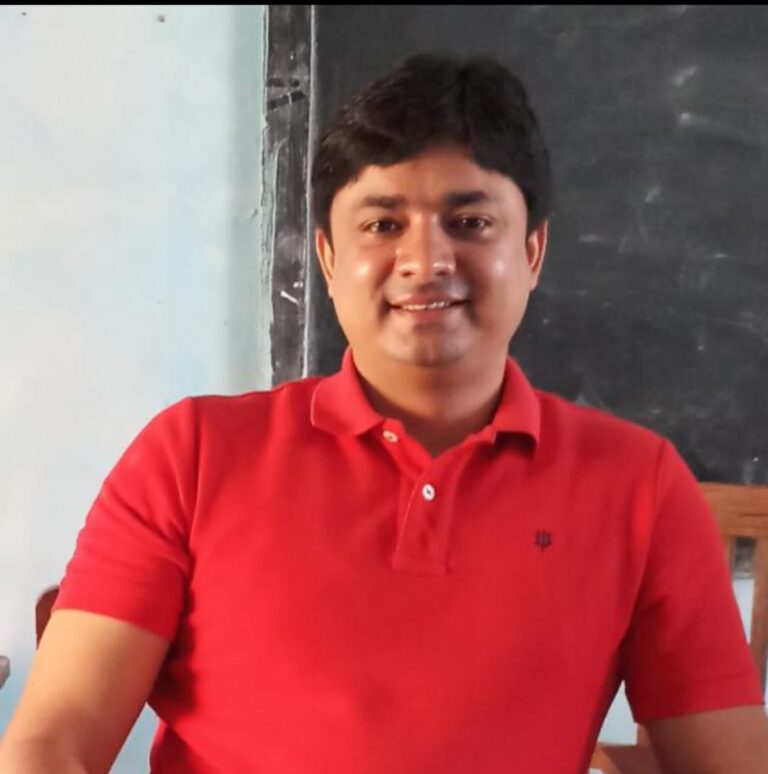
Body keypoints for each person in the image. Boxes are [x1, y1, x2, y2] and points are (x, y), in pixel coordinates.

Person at [2, 54, 767, 774]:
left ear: (533, 251)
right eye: (383, 223)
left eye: (470, 223)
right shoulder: (192, 454)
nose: (426, 261)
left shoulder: (639, 485)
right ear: (330, 257)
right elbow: (53, 741)